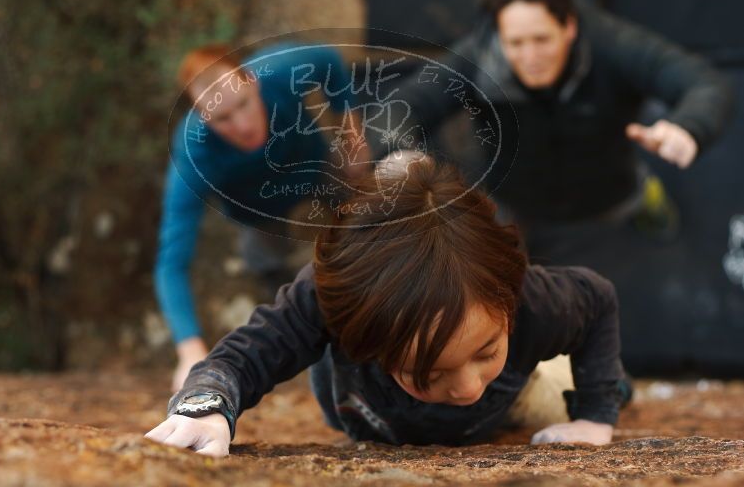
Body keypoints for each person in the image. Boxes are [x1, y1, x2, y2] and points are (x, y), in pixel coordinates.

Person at [145, 154, 632, 457]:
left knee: (588, 384)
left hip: (514, 400)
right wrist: (206, 410)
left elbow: (597, 298)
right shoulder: (335, 300)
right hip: (364, 414)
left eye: (484, 351)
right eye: (428, 371)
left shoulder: (528, 299)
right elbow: (240, 359)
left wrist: (595, 414)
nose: (465, 388)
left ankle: (601, 382)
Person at [393, 0, 734, 260]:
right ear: (499, 33)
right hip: (514, 192)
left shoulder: (612, 43)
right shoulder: (477, 59)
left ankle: (648, 200)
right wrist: (401, 157)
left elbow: (703, 84)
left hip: (609, 185)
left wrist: (688, 127)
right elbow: (403, 107)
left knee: (634, 197)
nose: (529, 57)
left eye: (542, 40)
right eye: (515, 43)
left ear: (569, 27)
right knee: (504, 238)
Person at [156, 42, 371, 391]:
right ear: (202, 117)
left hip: (316, 169)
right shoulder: (194, 152)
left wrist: (351, 131)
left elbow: (329, 60)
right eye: (222, 119)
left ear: (252, 81)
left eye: (243, 104)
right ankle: (306, 344)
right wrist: (189, 349)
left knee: (371, 215)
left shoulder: (280, 71)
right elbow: (172, 262)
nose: (242, 126)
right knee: (269, 267)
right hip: (258, 211)